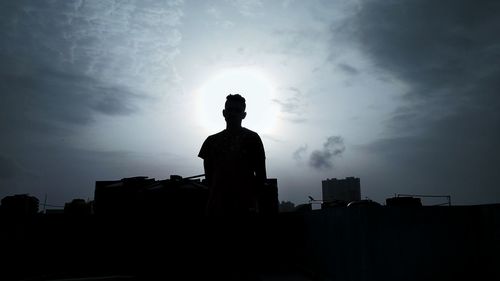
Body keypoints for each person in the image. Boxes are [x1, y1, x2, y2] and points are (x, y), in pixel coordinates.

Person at [198, 94, 267, 216]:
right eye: (230, 110)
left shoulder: (253, 139)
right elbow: (209, 178)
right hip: (217, 208)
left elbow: (261, 176)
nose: (233, 113)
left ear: (243, 115)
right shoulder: (211, 141)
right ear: (224, 113)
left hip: (245, 207)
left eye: (237, 110)